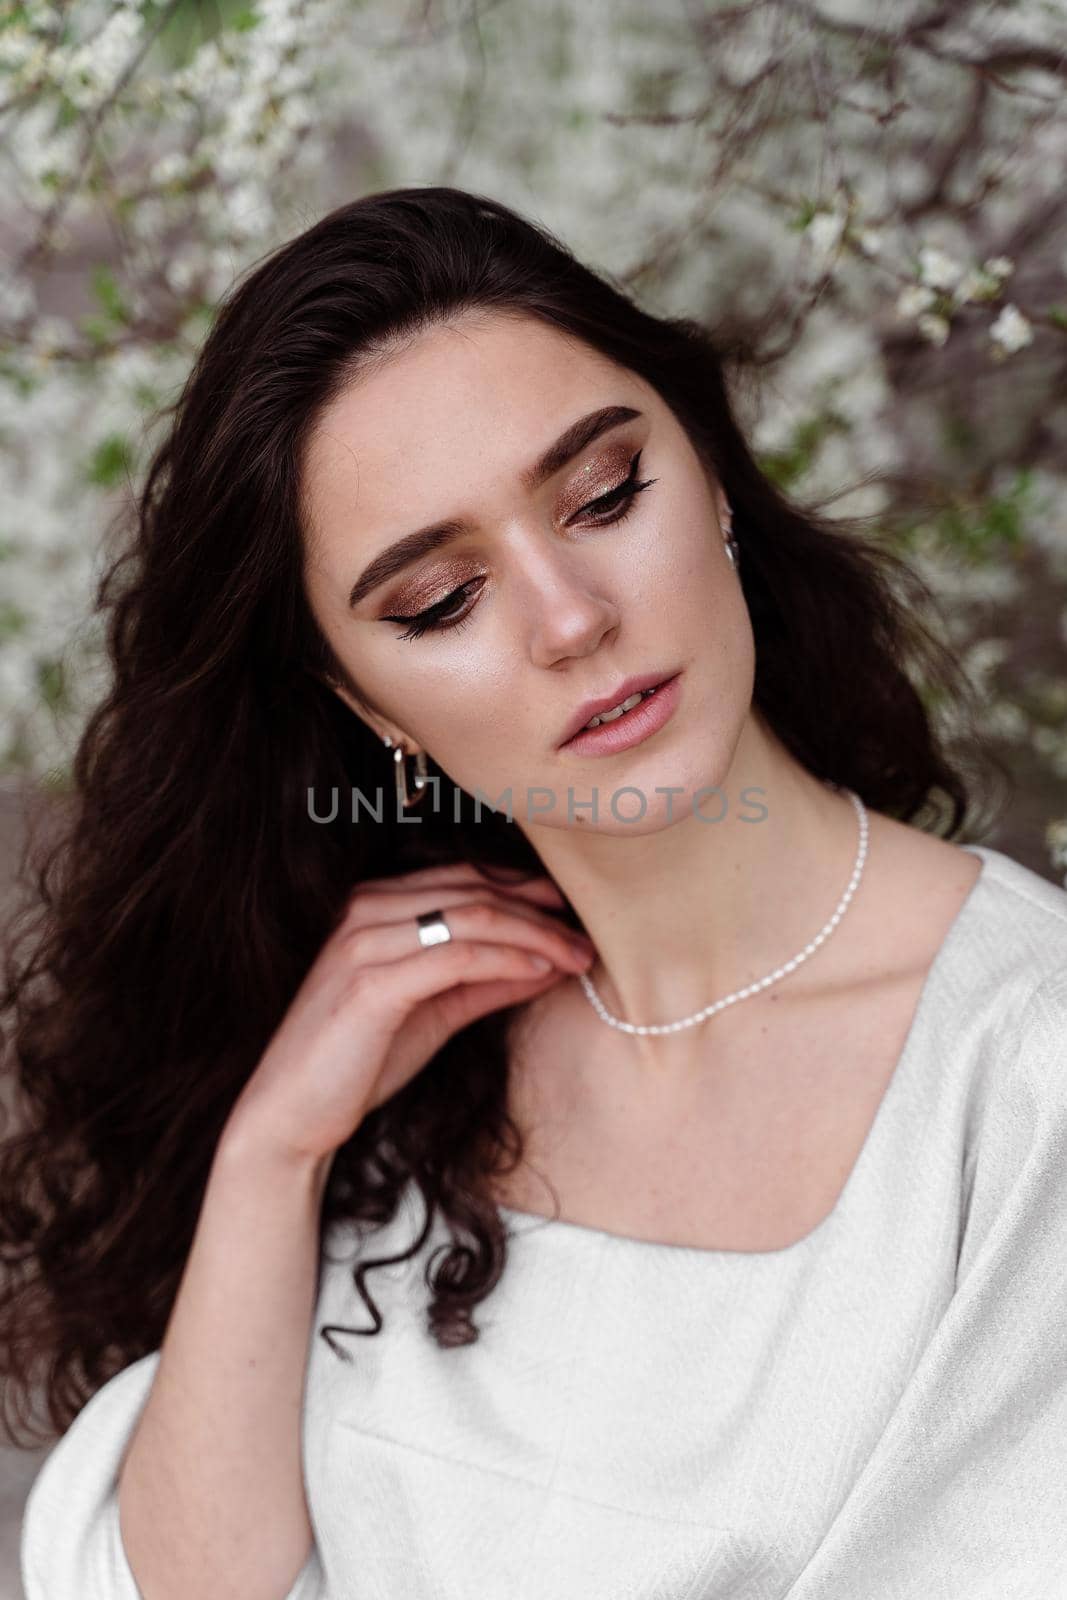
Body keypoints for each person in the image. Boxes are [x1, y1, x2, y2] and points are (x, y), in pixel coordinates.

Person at [4, 185, 1067, 1600]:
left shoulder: (1024, 1074)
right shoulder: (399, 1073)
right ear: (362, 703)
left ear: (714, 478)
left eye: (607, 495)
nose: (573, 619)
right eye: (441, 601)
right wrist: (275, 1150)